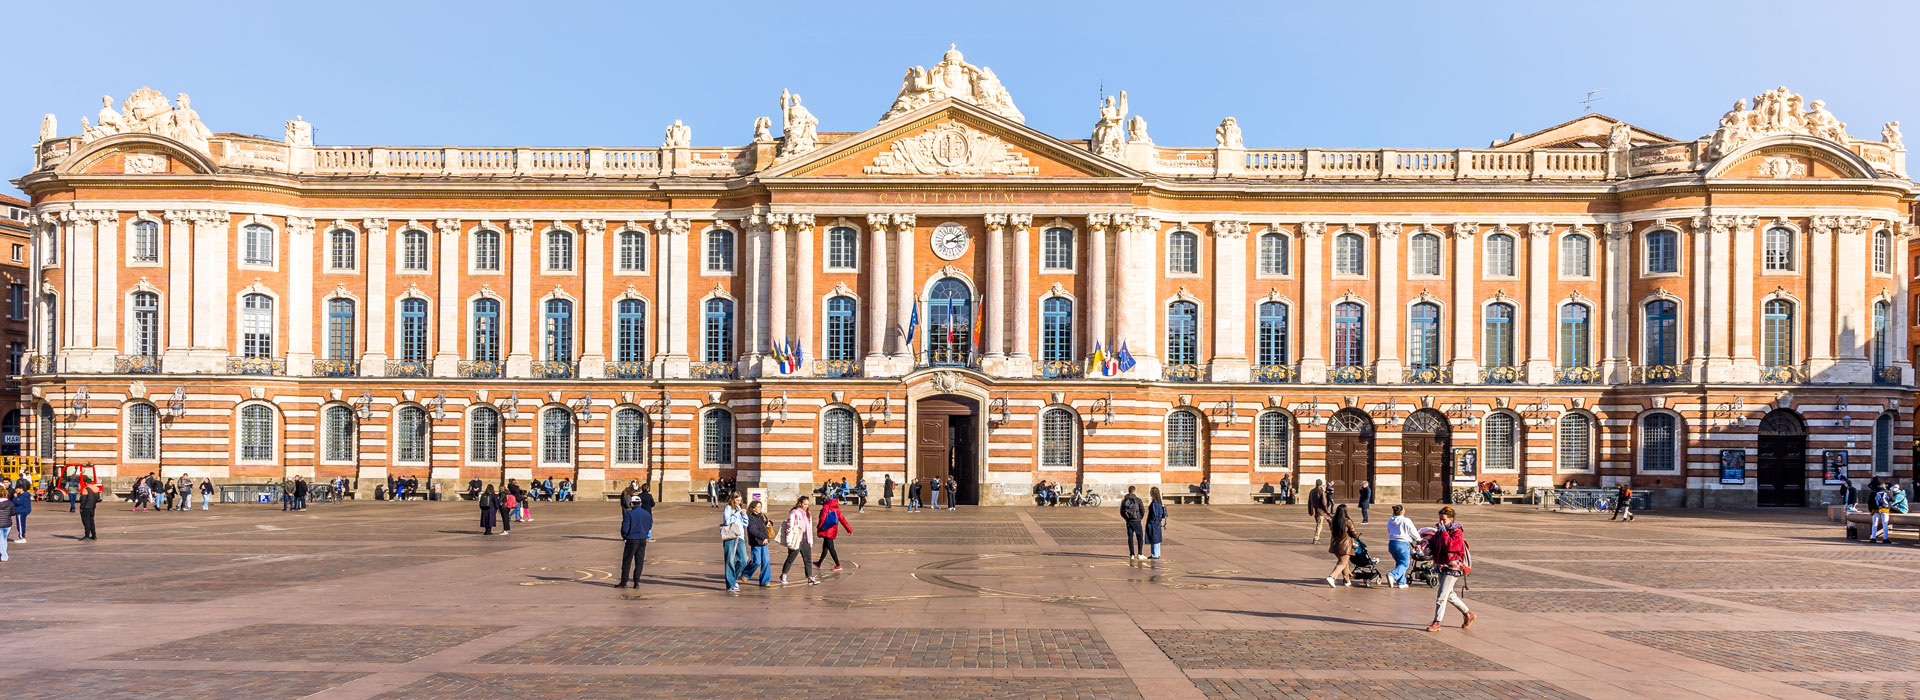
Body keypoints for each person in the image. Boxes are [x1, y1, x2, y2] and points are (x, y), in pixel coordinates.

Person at [1424, 506, 1474, 631]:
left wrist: (1444, 532)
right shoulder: (1440, 530)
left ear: (1451, 520)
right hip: (1441, 565)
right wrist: (1427, 547)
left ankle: (1437, 622)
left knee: (1442, 595)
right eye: (1440, 519)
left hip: (1453, 566)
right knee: (1449, 595)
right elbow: (1434, 542)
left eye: (1444, 520)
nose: (1441, 522)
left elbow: (1451, 546)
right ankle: (1468, 614)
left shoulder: (1457, 532)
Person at [780, 496, 820, 585]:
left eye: (807, 504)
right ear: (800, 503)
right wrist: (789, 541)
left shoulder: (808, 513)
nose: (806, 506)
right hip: (796, 538)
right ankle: (784, 574)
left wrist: (810, 540)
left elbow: (809, 527)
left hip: (805, 538)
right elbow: (789, 527)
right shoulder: (794, 512)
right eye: (804, 504)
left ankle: (809, 577)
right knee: (791, 558)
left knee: (808, 559)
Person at [618, 494, 652, 587]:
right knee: (639, 561)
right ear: (640, 504)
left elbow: (625, 527)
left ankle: (624, 582)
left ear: (632, 504)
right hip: (642, 539)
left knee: (627, 561)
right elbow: (649, 526)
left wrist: (625, 536)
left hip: (632, 539)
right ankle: (636, 582)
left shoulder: (629, 514)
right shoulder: (647, 514)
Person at [814, 496, 852, 571]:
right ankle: (819, 563)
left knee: (831, 548)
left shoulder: (826, 506)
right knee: (825, 547)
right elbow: (842, 519)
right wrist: (849, 529)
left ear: (825, 500)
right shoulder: (837, 507)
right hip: (833, 530)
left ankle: (838, 565)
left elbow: (822, 518)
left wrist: (819, 527)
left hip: (826, 529)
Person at [1325, 504, 1358, 587]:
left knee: (1345, 563)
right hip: (1345, 546)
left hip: (1335, 545)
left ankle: (1347, 580)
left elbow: (1331, 528)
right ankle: (1332, 577)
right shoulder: (1347, 521)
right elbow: (1354, 533)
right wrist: (1355, 535)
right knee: (1342, 563)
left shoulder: (1333, 520)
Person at [721, 494, 749, 592]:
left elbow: (745, 524)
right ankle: (730, 584)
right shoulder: (728, 508)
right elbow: (727, 521)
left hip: (740, 536)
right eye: (737, 500)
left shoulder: (739, 508)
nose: (739, 502)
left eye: (740, 500)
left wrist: (744, 514)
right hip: (730, 536)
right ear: (733, 500)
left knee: (744, 560)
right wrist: (737, 513)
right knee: (730, 560)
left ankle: (733, 578)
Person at [743, 500, 772, 587]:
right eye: (758, 507)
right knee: (757, 561)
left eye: (760, 506)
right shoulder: (750, 517)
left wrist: (769, 523)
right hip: (756, 542)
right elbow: (753, 530)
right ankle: (745, 573)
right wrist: (762, 537)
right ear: (753, 508)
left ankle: (765, 581)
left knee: (766, 561)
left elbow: (767, 523)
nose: (760, 508)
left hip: (765, 542)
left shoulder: (762, 516)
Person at [1385, 504, 1417, 587]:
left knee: (1400, 563)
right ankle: (1393, 575)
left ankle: (1402, 582)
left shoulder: (1390, 520)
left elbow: (1389, 530)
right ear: (1402, 511)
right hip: (1402, 544)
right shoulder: (1406, 520)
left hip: (1392, 543)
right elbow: (1413, 531)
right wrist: (1418, 539)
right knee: (1405, 564)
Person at [1121, 485, 1146, 560]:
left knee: (1130, 538)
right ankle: (1140, 553)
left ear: (1128, 491)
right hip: (1137, 520)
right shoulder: (1138, 500)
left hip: (1129, 521)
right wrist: (1140, 517)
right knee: (1140, 537)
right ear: (1134, 491)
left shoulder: (1124, 500)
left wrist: (1126, 518)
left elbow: (1121, 511)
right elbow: (1143, 510)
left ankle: (1131, 554)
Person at [1145, 487, 1167, 560]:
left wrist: (1151, 521)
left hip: (1154, 523)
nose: (1150, 493)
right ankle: (1156, 553)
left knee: (1154, 538)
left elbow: (1155, 514)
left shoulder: (1155, 502)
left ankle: (1154, 554)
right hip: (1157, 523)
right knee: (1156, 538)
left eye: (1151, 492)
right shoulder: (1159, 501)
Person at [1308, 480, 1331, 544]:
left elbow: (1309, 502)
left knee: (1318, 523)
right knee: (1319, 525)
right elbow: (1324, 503)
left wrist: (1310, 510)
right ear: (1321, 484)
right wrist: (1327, 511)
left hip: (1314, 510)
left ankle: (1316, 538)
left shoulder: (1312, 491)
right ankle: (1316, 538)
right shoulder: (1321, 492)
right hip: (1320, 511)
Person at [0, 485, 11, 561]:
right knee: (4, 539)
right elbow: (13, 512)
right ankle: (4, 554)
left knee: (1, 540)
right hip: (7, 523)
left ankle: (4, 555)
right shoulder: (10, 503)